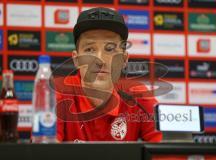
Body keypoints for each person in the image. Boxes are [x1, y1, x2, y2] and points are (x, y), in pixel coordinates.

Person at [55, 7, 162, 142]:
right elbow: (43, 151)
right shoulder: (57, 95)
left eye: (110, 49)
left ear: (124, 59)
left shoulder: (137, 96)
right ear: (76, 60)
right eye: (90, 49)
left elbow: (167, 151)